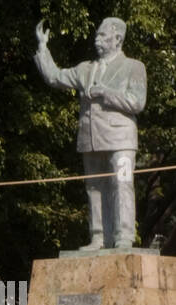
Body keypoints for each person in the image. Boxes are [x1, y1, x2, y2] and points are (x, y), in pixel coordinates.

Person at [34, 17, 147, 250]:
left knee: (122, 183)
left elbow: (137, 102)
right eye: (96, 35)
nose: (97, 40)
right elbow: (55, 77)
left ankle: (123, 237)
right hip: (91, 138)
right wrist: (43, 47)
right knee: (94, 187)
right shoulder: (85, 69)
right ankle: (98, 236)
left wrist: (106, 93)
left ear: (118, 39)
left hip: (121, 139)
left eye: (102, 36)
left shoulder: (134, 66)